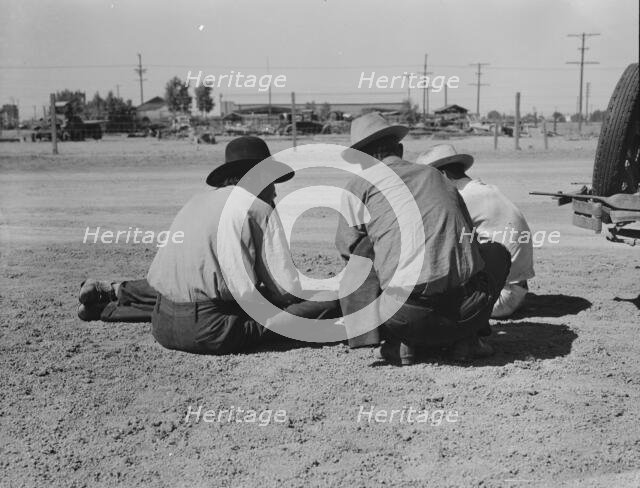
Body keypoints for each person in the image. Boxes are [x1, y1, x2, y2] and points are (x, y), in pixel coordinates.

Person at [77, 136, 339, 355]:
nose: (275, 193)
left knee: (197, 290)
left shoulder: (196, 201)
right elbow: (286, 291)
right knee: (322, 303)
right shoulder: (258, 208)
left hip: (162, 322)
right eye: (272, 183)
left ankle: (106, 306)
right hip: (210, 332)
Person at [336, 113, 511, 365]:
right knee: (496, 252)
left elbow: (347, 251)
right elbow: (467, 239)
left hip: (404, 319)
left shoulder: (359, 186)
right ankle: (468, 340)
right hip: (467, 313)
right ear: (400, 149)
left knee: (362, 251)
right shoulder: (437, 176)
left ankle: (397, 343)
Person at [417, 144, 535, 318]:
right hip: (514, 289)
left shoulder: (462, 199)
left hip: (500, 298)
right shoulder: (483, 190)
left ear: (443, 175)